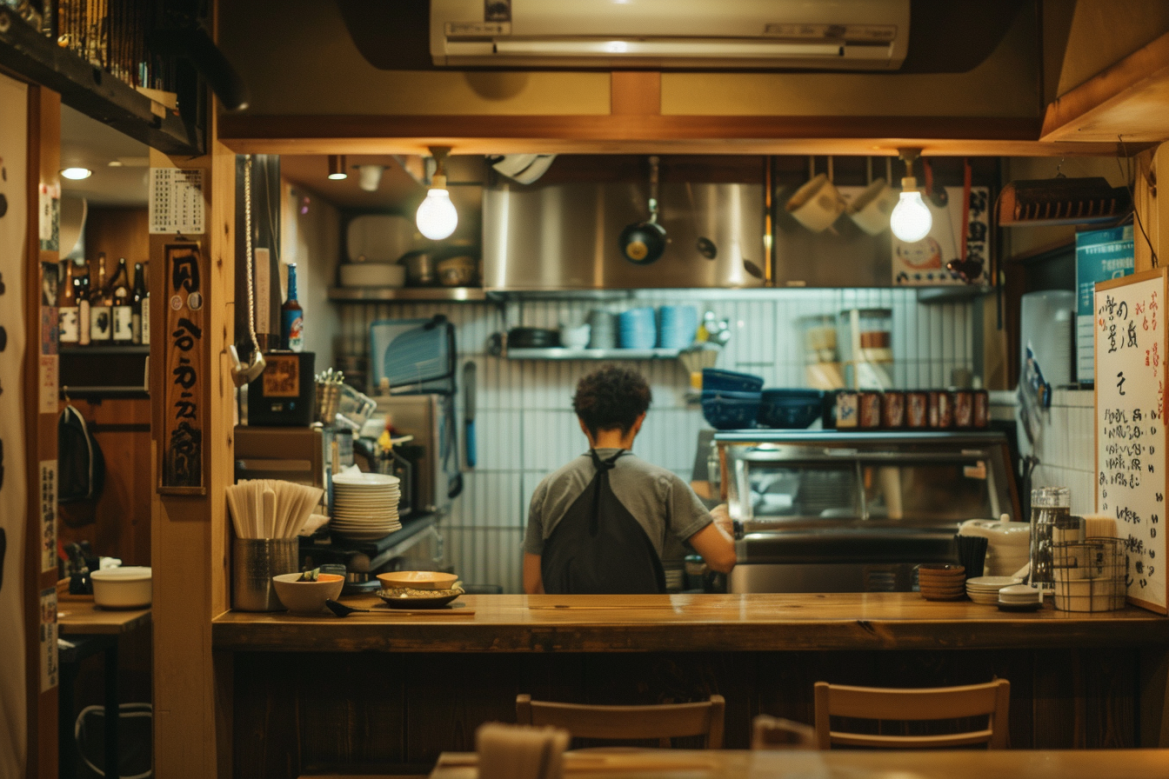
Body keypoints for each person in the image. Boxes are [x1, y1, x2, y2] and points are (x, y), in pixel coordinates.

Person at [523, 366, 736, 594]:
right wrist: (719, 524)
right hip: (641, 618)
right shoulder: (664, 484)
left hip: (563, 618)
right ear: (639, 419)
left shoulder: (547, 488)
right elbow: (723, 559)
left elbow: (532, 586)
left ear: (582, 422)